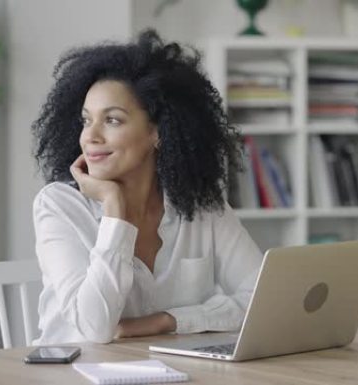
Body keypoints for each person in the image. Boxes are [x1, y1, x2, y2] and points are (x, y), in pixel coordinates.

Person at [30, 30, 263, 345]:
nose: (91, 137)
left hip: (171, 370)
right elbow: (95, 328)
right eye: (86, 121)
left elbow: (261, 299)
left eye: (112, 120)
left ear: (158, 132)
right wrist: (115, 211)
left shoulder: (200, 207)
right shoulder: (58, 205)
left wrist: (166, 322)